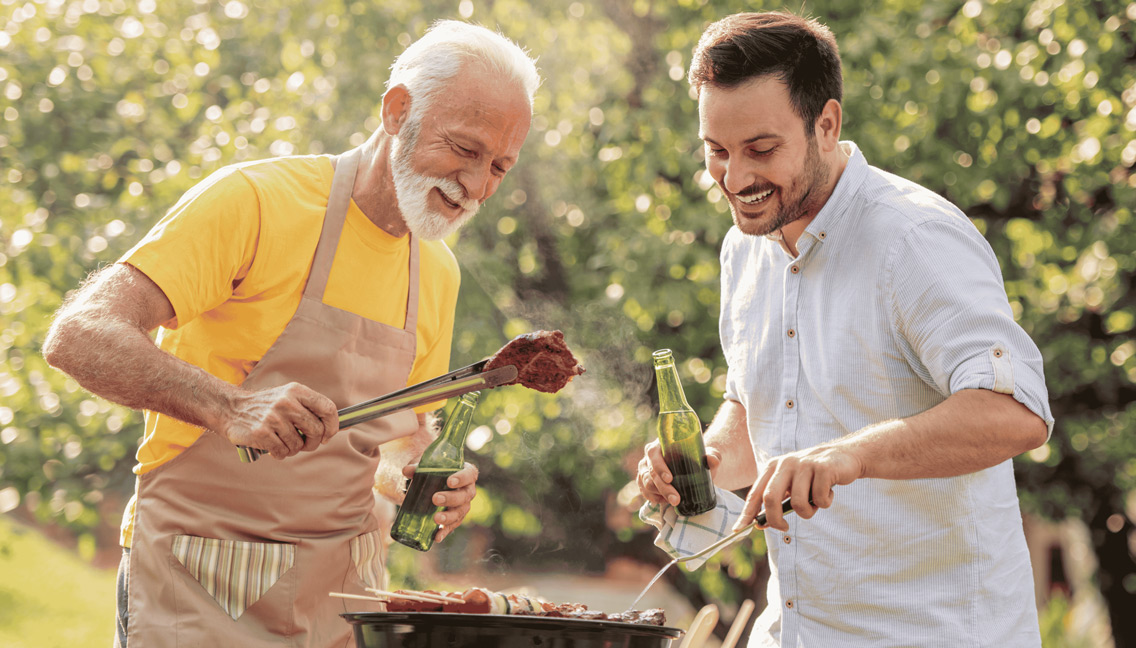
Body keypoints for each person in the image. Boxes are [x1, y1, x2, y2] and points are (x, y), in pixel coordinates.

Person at [42, 20, 540, 648]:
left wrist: (415, 476)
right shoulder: (253, 202)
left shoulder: (437, 268)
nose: (477, 186)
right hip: (198, 584)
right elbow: (79, 333)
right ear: (397, 110)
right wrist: (230, 405)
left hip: (341, 600)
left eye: (500, 165)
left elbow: (400, 439)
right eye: (464, 150)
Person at [636, 11, 1053, 647]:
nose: (737, 179)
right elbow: (759, 404)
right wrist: (708, 461)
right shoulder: (743, 249)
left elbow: (1017, 410)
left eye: (762, 150)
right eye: (716, 152)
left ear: (826, 124)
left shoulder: (914, 238)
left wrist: (848, 455)